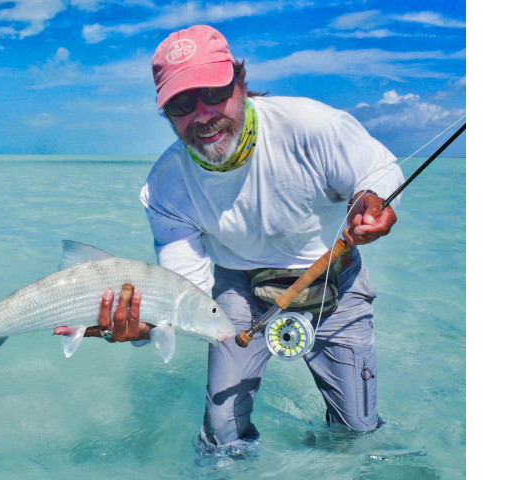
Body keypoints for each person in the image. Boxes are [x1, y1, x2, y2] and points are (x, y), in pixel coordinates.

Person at [56, 24, 403, 448]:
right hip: (237, 288)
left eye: (214, 93)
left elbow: (377, 168)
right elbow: (189, 291)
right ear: (165, 112)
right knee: (220, 436)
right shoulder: (164, 187)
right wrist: (141, 328)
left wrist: (372, 200)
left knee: (359, 433)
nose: (202, 115)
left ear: (240, 83)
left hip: (334, 274)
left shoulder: (309, 125)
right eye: (182, 102)